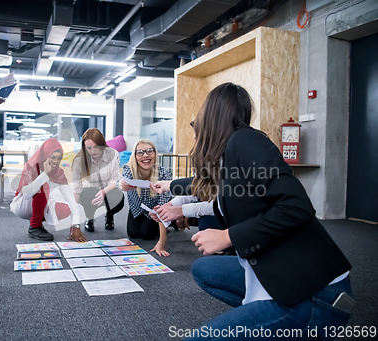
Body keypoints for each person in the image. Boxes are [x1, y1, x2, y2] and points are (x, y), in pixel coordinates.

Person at [153, 83, 352, 339]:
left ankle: (291, 324)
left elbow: (296, 206)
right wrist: (176, 200)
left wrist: (228, 237)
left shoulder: (245, 140)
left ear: (212, 115)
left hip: (315, 294)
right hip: (279, 269)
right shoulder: (230, 154)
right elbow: (212, 188)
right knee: (205, 270)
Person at [11, 138, 87, 242]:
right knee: (44, 186)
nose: (56, 161)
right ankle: (35, 227)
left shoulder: (59, 172)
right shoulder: (32, 166)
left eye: (59, 158)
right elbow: (27, 195)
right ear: (45, 155)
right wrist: (45, 174)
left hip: (41, 204)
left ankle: (38, 222)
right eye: (53, 157)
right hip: (23, 204)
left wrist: (76, 227)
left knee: (65, 209)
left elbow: (71, 200)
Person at [117, 139, 174, 257]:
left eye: (149, 151)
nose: (145, 155)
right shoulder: (129, 169)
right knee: (132, 233)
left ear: (155, 154)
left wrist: (162, 242)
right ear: (135, 156)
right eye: (140, 152)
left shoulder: (163, 174)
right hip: (137, 209)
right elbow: (121, 181)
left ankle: (172, 222)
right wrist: (122, 184)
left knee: (146, 234)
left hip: (154, 211)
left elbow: (162, 207)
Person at [71, 128, 124, 232]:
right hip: (90, 191)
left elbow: (115, 179)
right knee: (86, 196)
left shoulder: (113, 154)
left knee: (119, 198)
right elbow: (76, 188)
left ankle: (109, 215)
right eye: (89, 148)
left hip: (108, 189)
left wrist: (104, 191)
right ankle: (89, 217)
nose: (93, 151)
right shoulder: (79, 160)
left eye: (96, 147)